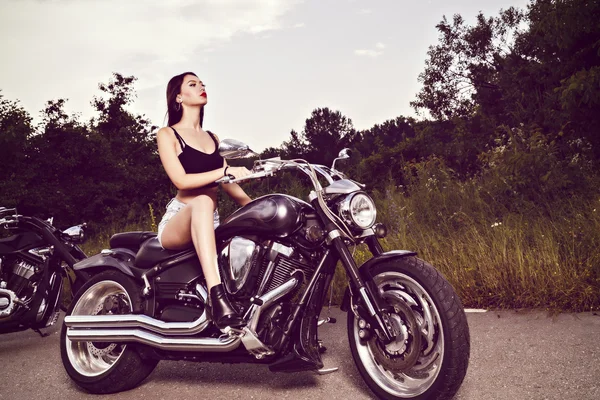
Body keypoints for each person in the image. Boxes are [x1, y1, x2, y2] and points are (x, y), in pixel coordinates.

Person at [156, 72, 252, 329]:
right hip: (181, 217)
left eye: (202, 84)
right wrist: (224, 171)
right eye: (193, 84)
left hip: (211, 221)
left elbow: (227, 184)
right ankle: (217, 296)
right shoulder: (167, 135)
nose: (201, 87)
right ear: (178, 97)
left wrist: (255, 207)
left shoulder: (213, 138)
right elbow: (181, 181)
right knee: (201, 201)